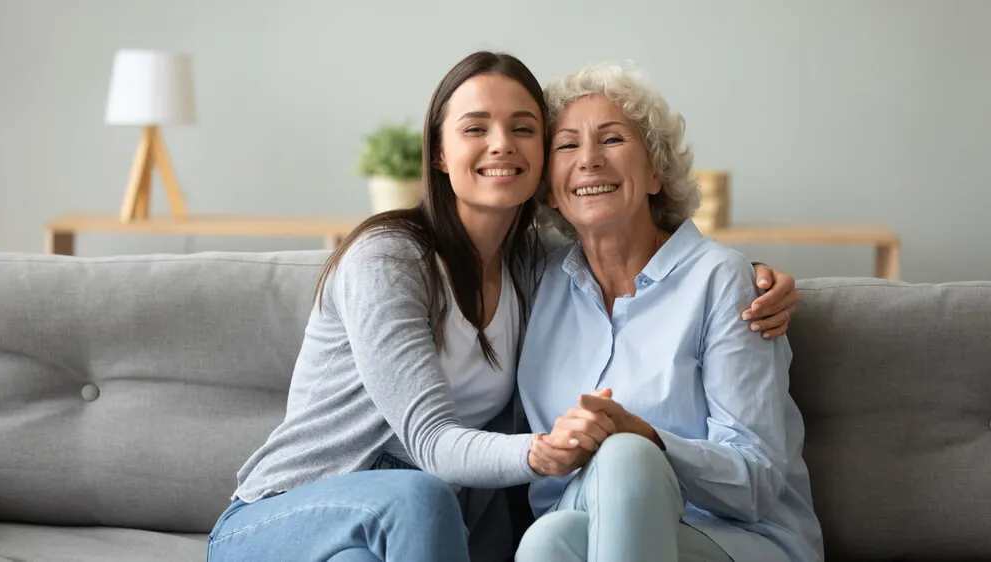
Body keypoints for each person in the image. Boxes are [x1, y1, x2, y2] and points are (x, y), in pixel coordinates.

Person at [207, 51, 800, 562]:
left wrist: (753, 277)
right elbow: (433, 444)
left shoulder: (534, 270)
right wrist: (541, 451)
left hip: (414, 533)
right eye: (474, 128)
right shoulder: (389, 260)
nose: (501, 145)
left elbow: (641, 250)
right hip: (297, 513)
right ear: (439, 153)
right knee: (426, 496)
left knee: (538, 522)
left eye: (523, 128)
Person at [513, 63, 823, 562]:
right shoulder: (534, 283)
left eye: (612, 139)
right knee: (547, 539)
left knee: (627, 455)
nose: (589, 160)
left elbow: (757, 484)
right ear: (548, 186)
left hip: (734, 540)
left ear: (655, 171)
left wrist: (650, 440)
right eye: (567, 145)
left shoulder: (722, 281)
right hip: (585, 526)